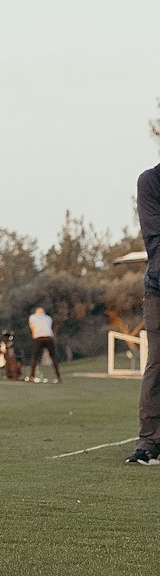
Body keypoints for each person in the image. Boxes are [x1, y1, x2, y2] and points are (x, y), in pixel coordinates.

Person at [125, 163, 160, 465]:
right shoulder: (151, 182)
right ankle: (149, 441)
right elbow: (156, 242)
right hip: (159, 288)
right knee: (158, 360)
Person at [26, 306, 62, 382]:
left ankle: (32, 376)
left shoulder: (32, 317)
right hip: (49, 337)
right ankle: (58, 376)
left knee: (35, 357)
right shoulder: (48, 318)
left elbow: (32, 327)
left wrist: (34, 335)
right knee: (53, 357)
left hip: (38, 337)